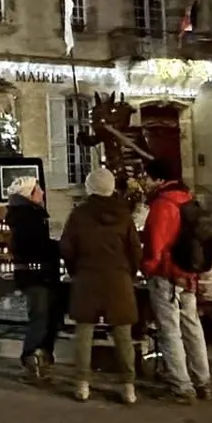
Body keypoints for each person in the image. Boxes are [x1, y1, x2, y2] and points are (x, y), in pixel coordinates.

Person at [60, 167, 144, 404]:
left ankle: (82, 384)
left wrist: (74, 269)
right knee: (123, 334)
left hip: (87, 276)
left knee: (84, 332)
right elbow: (135, 249)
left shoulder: (80, 214)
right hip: (118, 278)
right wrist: (130, 272)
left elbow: (66, 246)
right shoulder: (124, 214)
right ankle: (128, 386)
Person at [140, 157, 212, 404]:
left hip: (167, 275)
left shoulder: (163, 205)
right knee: (192, 327)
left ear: (159, 179)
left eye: (147, 177)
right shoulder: (188, 199)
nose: (144, 182)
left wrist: (148, 268)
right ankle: (203, 380)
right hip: (187, 274)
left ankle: (182, 385)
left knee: (170, 330)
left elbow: (155, 246)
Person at [4, 175, 61, 383]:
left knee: (46, 316)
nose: (43, 193)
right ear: (30, 194)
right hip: (37, 275)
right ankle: (31, 358)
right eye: (38, 189)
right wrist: (57, 248)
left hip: (37, 274)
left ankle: (40, 358)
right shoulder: (29, 218)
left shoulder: (27, 216)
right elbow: (35, 247)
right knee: (41, 317)